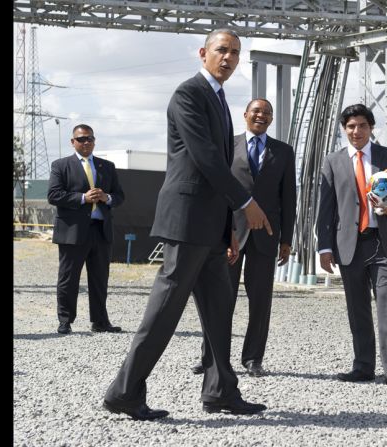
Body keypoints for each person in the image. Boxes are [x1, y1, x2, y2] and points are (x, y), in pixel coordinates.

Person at [103, 29, 273, 421]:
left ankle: (220, 391)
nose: (228, 57)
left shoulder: (218, 98)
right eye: (221, 50)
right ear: (203, 53)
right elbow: (205, 160)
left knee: (218, 311)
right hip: (186, 221)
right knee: (164, 311)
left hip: (211, 226)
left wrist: (228, 226)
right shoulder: (189, 94)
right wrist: (246, 203)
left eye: (234, 52)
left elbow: (218, 165)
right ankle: (124, 391)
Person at [191, 98, 296, 377]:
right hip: (230, 234)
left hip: (266, 235)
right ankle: (211, 356)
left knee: (260, 300)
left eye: (267, 113)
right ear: (245, 115)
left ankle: (253, 358)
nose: (261, 116)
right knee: (220, 298)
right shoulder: (228, 146)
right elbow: (217, 190)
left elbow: (288, 197)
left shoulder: (284, 152)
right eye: (256, 111)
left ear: (272, 119)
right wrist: (220, 232)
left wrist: (287, 239)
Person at [316, 104, 387, 388]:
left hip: (382, 242)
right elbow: (326, 208)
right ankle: (362, 367)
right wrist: (324, 247)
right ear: (344, 130)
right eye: (350, 127)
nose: (356, 131)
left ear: (371, 128)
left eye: (361, 126)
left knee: (386, 304)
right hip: (349, 245)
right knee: (357, 307)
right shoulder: (333, 161)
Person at [47, 124, 125, 335]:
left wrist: (106, 198)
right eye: (81, 139)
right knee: (68, 278)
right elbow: (53, 195)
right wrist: (83, 198)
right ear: (73, 142)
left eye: (90, 138)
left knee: (100, 279)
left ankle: (100, 322)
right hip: (72, 232)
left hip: (100, 231)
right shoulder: (61, 165)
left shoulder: (107, 166)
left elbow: (119, 196)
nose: (86, 142)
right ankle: (65, 321)